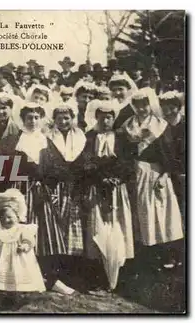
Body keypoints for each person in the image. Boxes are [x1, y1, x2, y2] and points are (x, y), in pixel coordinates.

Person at [0, 102, 73, 295]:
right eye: (29, 117)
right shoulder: (12, 141)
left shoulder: (46, 141)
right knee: (16, 232)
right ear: (22, 119)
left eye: (36, 117)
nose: (32, 121)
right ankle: (17, 279)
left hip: (41, 192)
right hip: (18, 191)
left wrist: (44, 181)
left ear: (41, 120)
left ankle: (51, 279)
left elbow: (60, 169)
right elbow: (1, 169)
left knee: (46, 235)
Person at [122, 88, 183, 269]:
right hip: (135, 173)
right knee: (138, 214)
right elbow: (125, 152)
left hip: (155, 173)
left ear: (151, 105)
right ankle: (143, 256)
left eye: (145, 105)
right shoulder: (128, 125)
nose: (141, 109)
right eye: (137, 106)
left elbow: (169, 154)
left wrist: (165, 175)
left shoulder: (161, 125)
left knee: (158, 214)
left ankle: (165, 256)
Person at [81, 101, 135, 293]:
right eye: (102, 117)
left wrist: (117, 178)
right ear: (96, 117)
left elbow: (129, 162)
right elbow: (85, 163)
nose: (106, 121)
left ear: (114, 118)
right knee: (97, 231)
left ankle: (117, 278)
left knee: (118, 229)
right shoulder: (89, 137)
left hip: (116, 191)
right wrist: (101, 178)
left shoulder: (121, 137)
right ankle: (99, 277)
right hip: (96, 189)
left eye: (109, 117)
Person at [41, 104, 87, 291]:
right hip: (56, 185)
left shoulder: (80, 136)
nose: (63, 122)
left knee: (74, 227)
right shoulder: (48, 137)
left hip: (74, 186)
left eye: (66, 118)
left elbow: (84, 160)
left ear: (72, 118)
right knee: (58, 226)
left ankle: (71, 272)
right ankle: (56, 273)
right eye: (59, 118)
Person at [0, 189, 45, 309]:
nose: (6, 220)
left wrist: (25, 245)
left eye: (9, 217)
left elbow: (29, 239)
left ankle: (16, 298)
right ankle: (1, 297)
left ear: (17, 216)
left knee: (16, 280)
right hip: (2, 261)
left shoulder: (22, 229)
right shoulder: (0, 231)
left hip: (18, 260)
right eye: (2, 218)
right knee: (1, 279)